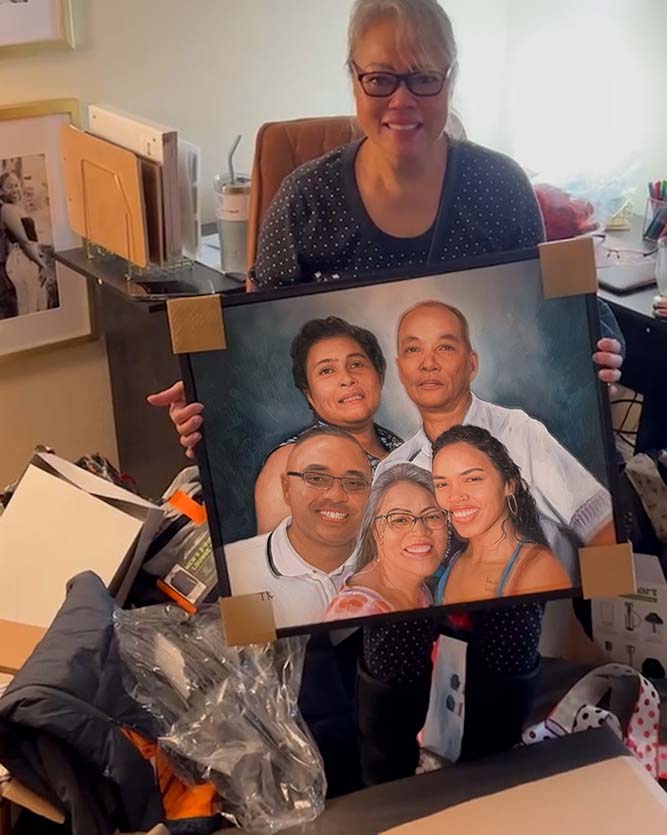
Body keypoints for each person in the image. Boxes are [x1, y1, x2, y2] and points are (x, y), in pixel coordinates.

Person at [147, 0, 625, 790]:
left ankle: (495, 793)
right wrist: (207, 393)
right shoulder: (305, 200)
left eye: (423, 79)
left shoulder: (500, 187)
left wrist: (602, 344)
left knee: (509, 633)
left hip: (481, 495)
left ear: (449, 81)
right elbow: (252, 317)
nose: (401, 101)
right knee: (390, 638)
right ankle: (386, 801)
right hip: (375, 476)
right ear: (353, 80)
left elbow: (569, 298)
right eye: (380, 78)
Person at [378, 299, 615, 577]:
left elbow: (601, 527)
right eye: (413, 349)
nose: (427, 363)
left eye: (445, 347)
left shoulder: (517, 431)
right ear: (399, 369)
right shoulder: (393, 469)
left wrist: (606, 612)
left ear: (472, 364)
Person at [252, 316, 402, 534]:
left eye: (356, 364)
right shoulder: (290, 462)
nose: (347, 378)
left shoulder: (400, 447)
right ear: (308, 394)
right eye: (327, 371)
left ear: (379, 376)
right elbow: (275, 562)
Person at [224, 425, 372, 628]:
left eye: (354, 483)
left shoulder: (394, 565)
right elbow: (255, 655)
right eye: (317, 479)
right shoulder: (239, 569)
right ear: (286, 488)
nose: (336, 496)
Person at [431, 425, 570, 603]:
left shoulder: (538, 569)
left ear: (509, 485)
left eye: (473, 479)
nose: (455, 496)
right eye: (442, 484)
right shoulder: (453, 561)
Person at [325, 463, 447, 620]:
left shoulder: (416, 585)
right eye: (400, 520)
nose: (420, 530)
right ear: (375, 531)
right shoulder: (356, 613)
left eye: (432, 516)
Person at [0, 171, 48, 317]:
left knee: (40, 302)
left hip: (31, 258)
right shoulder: (7, 210)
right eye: (9, 187)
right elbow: (25, 242)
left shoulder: (18, 207)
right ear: (1, 190)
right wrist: (43, 265)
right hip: (21, 258)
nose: (14, 189)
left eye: (16, 185)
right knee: (29, 305)